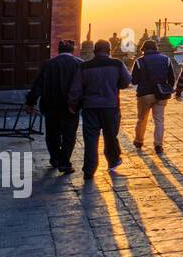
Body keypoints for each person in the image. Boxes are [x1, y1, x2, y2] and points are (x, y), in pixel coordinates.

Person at [68, 39, 130, 180]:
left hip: (90, 107)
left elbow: (76, 88)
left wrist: (72, 104)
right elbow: (126, 82)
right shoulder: (117, 64)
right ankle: (113, 160)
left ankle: (89, 170)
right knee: (110, 136)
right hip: (110, 106)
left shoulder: (85, 66)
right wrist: (115, 85)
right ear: (109, 50)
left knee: (90, 139)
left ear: (95, 50)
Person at [25, 39, 82, 174]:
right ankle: (65, 163)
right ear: (72, 50)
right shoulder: (79, 64)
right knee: (69, 135)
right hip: (71, 107)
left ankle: (55, 158)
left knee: (52, 134)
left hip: (51, 106)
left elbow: (38, 85)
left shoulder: (48, 64)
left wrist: (30, 102)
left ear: (59, 50)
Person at [130, 39, 176, 155]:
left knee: (142, 119)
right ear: (156, 48)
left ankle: (139, 141)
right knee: (159, 120)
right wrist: (167, 88)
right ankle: (158, 145)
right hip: (161, 94)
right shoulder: (166, 60)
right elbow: (172, 78)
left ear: (143, 49)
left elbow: (134, 81)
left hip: (145, 94)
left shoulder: (139, 61)